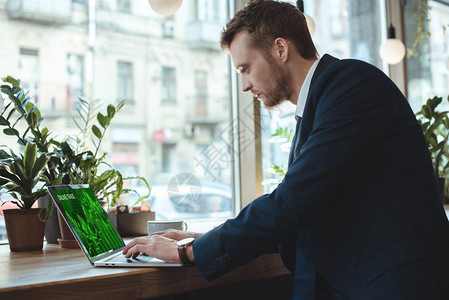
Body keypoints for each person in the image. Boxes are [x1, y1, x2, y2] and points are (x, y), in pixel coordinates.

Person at [124, 0, 449, 298]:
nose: (245, 85)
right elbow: (303, 211)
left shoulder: (351, 85)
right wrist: (198, 237)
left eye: (245, 68)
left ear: (280, 49)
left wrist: (189, 251)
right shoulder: (320, 103)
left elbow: (294, 200)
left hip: (396, 286)